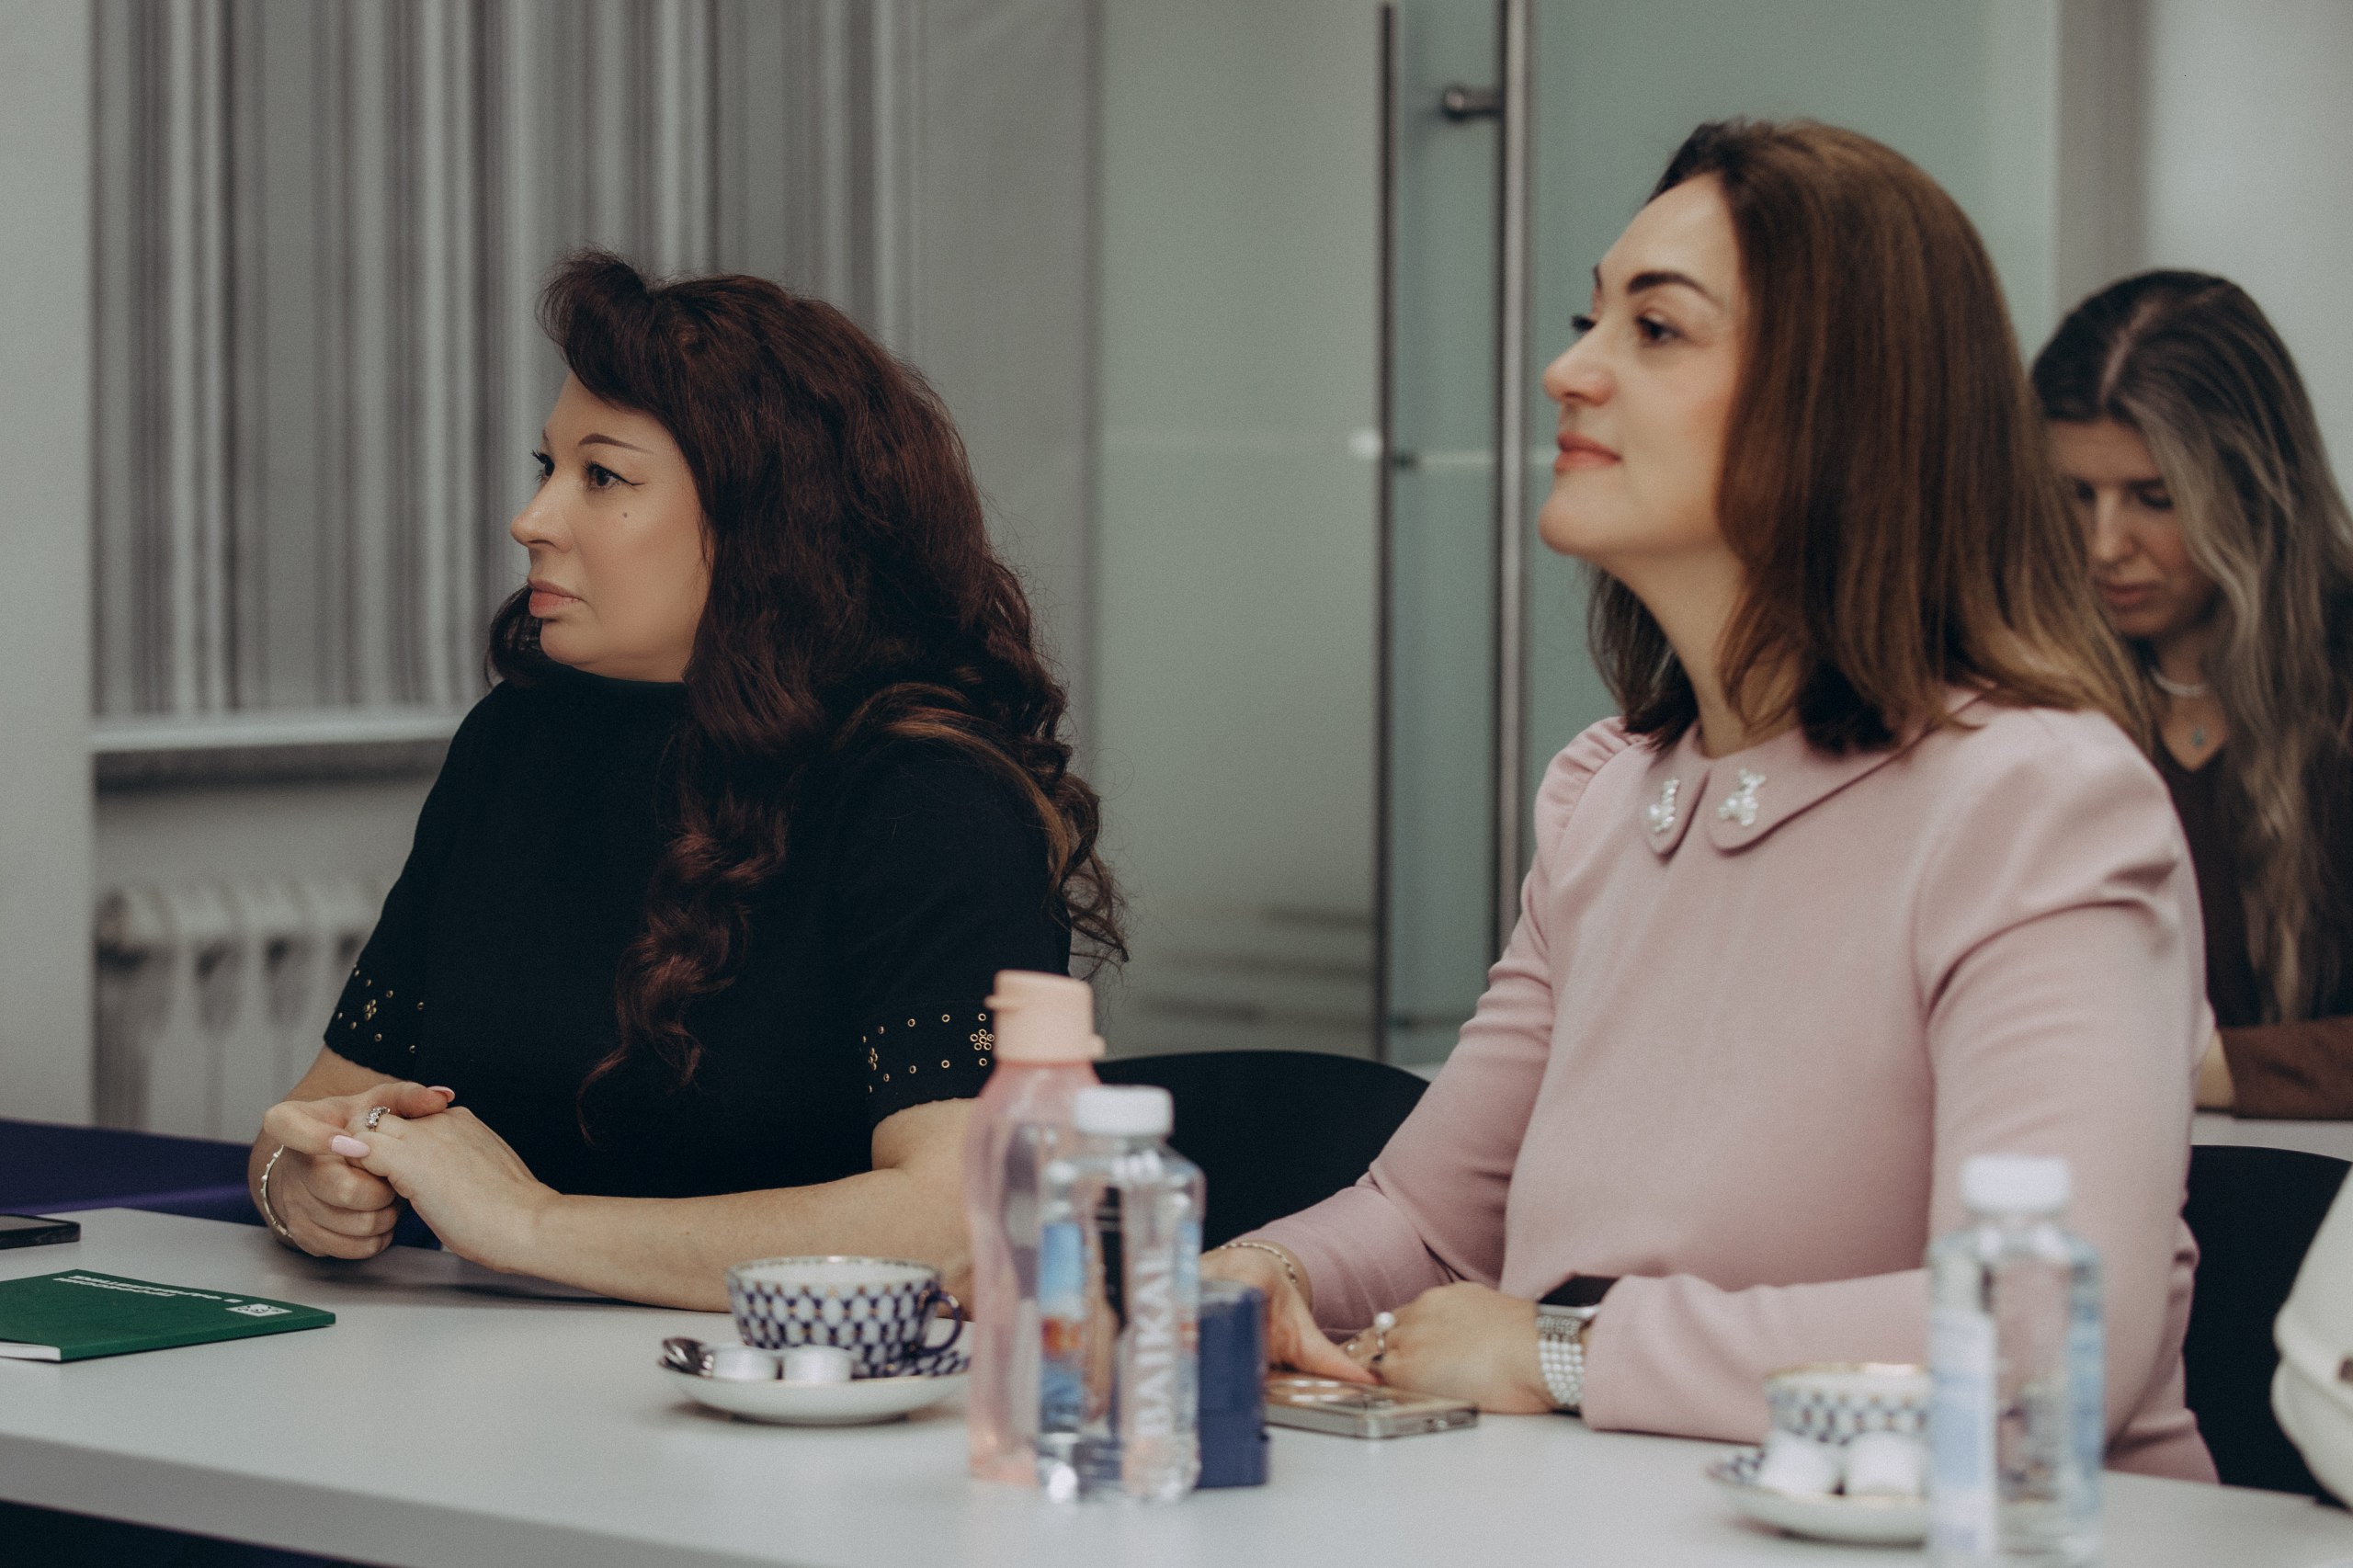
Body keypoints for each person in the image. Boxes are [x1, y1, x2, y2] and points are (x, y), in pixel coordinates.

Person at [1204, 119, 2215, 1480]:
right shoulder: (1605, 793)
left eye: (1657, 329)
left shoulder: (2039, 798)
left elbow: (2038, 1341)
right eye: (1589, 320)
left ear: (1841, 405)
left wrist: (1565, 1352)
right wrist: (1262, 1276)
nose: (1569, 369)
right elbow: (1433, 1222)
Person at [244, 251, 1120, 1308]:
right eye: (547, 466)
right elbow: (324, 1107)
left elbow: (964, 1216)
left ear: (766, 520)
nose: (532, 518)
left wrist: (533, 1225)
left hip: (804, 1392)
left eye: (601, 477)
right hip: (492, 1374)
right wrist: (303, 1182)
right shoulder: (513, 744)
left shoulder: (928, 798)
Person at [2035, 272, 2353, 1119]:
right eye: (2075, 495)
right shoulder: (2023, 690)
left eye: (2156, 499)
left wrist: (2202, 1067)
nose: (2105, 545)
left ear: (2256, 491)